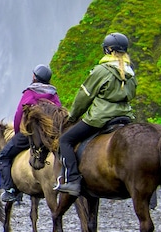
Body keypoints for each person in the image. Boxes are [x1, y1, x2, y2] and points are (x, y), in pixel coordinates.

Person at [55, 33, 137, 197]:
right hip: (126, 117)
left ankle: (73, 180)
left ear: (108, 49)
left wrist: (73, 116)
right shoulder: (131, 72)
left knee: (65, 140)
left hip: (100, 118)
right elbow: (132, 94)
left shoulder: (101, 70)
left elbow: (84, 96)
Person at [0, 64, 60, 204]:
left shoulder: (30, 93)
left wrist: (19, 132)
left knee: (4, 156)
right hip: (49, 135)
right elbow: (58, 113)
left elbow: (19, 115)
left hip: (30, 134)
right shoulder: (54, 94)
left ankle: (10, 190)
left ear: (34, 77)